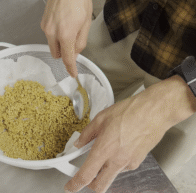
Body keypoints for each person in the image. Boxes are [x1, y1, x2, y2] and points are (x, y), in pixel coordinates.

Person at [40, 0, 196, 192]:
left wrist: (180, 96)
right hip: (128, 15)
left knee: (152, 163)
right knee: (82, 86)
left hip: (190, 59)